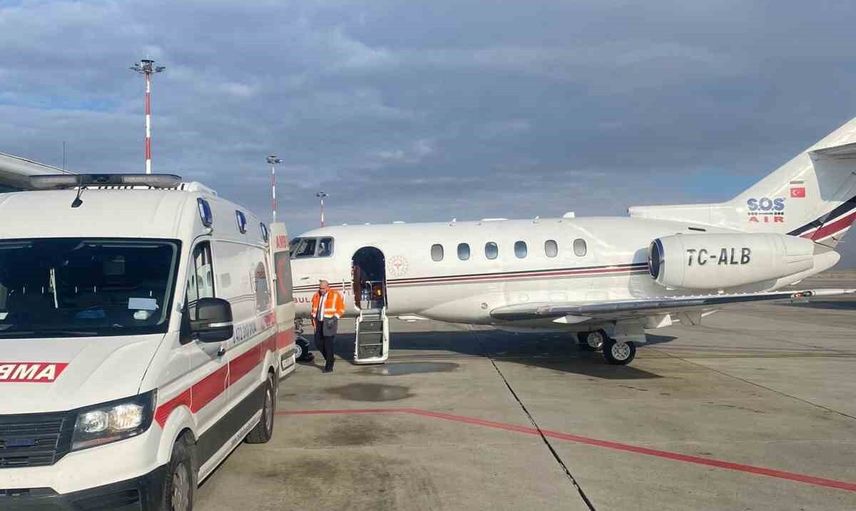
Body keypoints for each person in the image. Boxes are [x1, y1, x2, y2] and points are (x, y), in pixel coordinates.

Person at [310, 279, 346, 373]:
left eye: (323, 288)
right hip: (319, 322)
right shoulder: (316, 295)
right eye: (320, 288)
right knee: (318, 343)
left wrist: (334, 318)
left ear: (327, 287)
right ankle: (330, 358)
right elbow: (314, 308)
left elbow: (341, 309)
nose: (321, 290)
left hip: (329, 322)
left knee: (328, 344)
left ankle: (329, 367)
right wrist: (313, 318)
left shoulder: (335, 295)